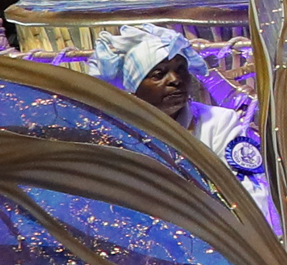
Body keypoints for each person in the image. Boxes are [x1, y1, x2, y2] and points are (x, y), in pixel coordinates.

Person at [87, 20, 269, 212]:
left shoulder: (218, 122)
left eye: (181, 70)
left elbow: (250, 197)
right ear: (134, 89)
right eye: (158, 74)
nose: (175, 79)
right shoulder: (115, 133)